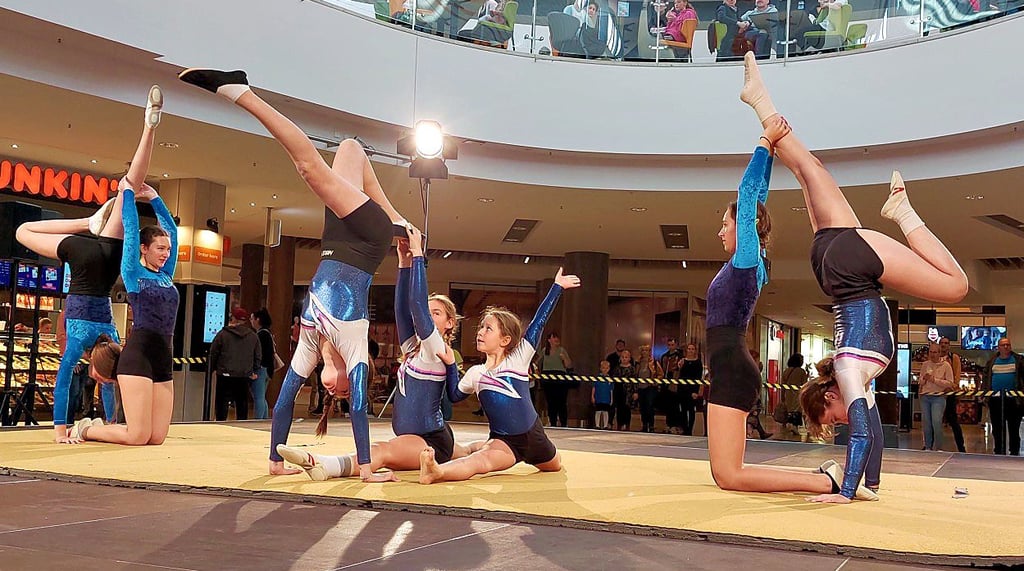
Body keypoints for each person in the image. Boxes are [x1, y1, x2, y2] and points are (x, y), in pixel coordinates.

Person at [740, 53, 968, 501]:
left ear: (828, 397)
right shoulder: (856, 377)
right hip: (831, 265)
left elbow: (863, 434)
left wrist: (844, 492)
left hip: (851, 269)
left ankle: (903, 212)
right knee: (811, 172)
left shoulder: (848, 370)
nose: (842, 422)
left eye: (832, 419)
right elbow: (875, 433)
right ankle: (761, 103)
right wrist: (871, 487)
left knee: (957, 286)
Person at [179, 68, 410, 482]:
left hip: (338, 237)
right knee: (311, 169)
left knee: (351, 149)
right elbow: (360, 406)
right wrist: (365, 469)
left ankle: (399, 221)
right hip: (369, 240)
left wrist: (274, 460)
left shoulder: (309, 345)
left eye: (332, 392)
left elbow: (284, 398)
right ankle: (240, 91)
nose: (337, 389)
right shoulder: (354, 339)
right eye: (341, 388)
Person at [703, 97, 864, 500]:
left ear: (744, 227)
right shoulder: (747, 263)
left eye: (726, 224)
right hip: (729, 366)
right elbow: (755, 198)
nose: (721, 232)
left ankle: (825, 481)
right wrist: (771, 153)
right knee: (727, 472)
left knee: (730, 475)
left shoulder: (745, 260)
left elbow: (747, 195)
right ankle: (824, 477)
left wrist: (763, 141)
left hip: (733, 367)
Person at [16, 86, 162, 443]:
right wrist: (62, 429)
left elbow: (103, 380)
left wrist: (63, 430)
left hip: (102, 257)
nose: (97, 379)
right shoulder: (93, 345)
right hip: (84, 262)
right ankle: (147, 129)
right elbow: (74, 382)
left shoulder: (112, 341)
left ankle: (149, 128)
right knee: (23, 230)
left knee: (127, 187)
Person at [278, 227, 468, 480]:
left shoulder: (437, 348)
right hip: (418, 435)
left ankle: (324, 464)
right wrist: (403, 263)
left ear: (450, 323)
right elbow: (403, 310)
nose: (429, 317)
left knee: (382, 451)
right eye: (430, 312)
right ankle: (476, 448)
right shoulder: (413, 348)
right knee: (465, 451)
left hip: (429, 440)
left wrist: (418, 256)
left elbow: (417, 306)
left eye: (437, 313)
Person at [418, 268, 581, 484]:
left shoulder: (517, 360)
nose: (480, 332)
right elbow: (455, 395)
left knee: (555, 465)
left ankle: (474, 446)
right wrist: (450, 366)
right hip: (504, 441)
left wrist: (557, 287)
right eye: (480, 327)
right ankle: (437, 472)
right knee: (480, 462)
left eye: (488, 329)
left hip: (535, 438)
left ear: (505, 340)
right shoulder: (475, 373)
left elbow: (538, 324)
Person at [74, 179, 178, 446]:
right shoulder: (134, 273)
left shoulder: (166, 275)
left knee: (156, 438)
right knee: (137, 435)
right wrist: (129, 195)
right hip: (138, 357)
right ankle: (86, 429)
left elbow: (172, 232)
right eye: (160, 248)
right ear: (144, 249)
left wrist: (155, 197)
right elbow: (131, 230)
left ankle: (97, 428)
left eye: (167, 249)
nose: (166, 253)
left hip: (164, 357)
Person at [210, 307, 261, 422]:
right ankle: (241, 427)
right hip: (243, 375)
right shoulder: (253, 336)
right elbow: (258, 355)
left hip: (224, 374)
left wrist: (212, 368)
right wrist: (254, 370)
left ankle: (220, 425)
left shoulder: (223, 334)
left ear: (232, 317)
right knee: (242, 404)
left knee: (221, 404)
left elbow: (213, 353)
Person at [981, 338, 1024, 456]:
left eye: (1008, 345)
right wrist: (985, 394)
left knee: (1014, 429)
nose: (1006, 347)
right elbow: (986, 378)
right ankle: (998, 451)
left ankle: (1014, 452)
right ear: (998, 347)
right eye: (1003, 345)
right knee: (997, 429)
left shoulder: (1019, 360)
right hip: (995, 400)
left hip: (1014, 401)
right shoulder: (992, 361)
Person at [918, 342, 956, 451]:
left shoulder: (946, 366)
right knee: (926, 423)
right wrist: (924, 379)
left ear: (939, 353)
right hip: (925, 396)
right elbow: (920, 381)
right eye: (931, 352)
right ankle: (928, 446)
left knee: (936, 421)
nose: (932, 354)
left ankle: (939, 447)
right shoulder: (925, 364)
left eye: (935, 352)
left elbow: (950, 383)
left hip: (938, 397)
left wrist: (934, 380)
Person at [538, 332, 573, 427]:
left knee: (561, 401)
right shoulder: (545, 351)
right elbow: (537, 362)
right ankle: (553, 422)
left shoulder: (562, 350)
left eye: (557, 337)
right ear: (549, 340)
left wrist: (564, 358)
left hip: (560, 377)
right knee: (551, 402)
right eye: (554, 337)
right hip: (548, 378)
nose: (556, 339)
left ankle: (563, 423)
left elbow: (569, 365)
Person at [939, 337, 966, 452]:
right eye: (942, 343)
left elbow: (957, 376)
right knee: (934, 420)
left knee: (953, 420)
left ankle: (961, 447)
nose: (944, 345)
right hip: (936, 393)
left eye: (946, 343)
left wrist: (951, 388)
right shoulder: (935, 357)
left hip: (949, 393)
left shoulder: (954, 358)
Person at [250, 309, 276, 420]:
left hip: (260, 369)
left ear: (258, 320)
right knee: (262, 397)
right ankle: (263, 420)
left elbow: (258, 354)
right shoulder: (268, 333)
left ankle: (258, 420)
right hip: (268, 369)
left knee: (258, 397)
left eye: (252, 318)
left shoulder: (260, 335)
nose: (251, 321)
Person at [774, 353, 808, 436]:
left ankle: (786, 424)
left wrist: (782, 396)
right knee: (797, 411)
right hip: (798, 394)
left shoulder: (787, 371)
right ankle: (795, 426)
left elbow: (782, 385)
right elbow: (805, 384)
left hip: (788, 394)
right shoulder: (801, 371)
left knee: (789, 410)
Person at [636, 344, 664, 433]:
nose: (645, 352)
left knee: (649, 406)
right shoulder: (638, 362)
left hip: (650, 387)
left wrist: (655, 381)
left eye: (647, 350)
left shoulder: (654, 362)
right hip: (640, 387)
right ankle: (644, 424)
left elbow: (661, 374)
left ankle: (651, 425)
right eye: (643, 350)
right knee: (642, 407)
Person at [678, 342, 703, 435]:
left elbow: (698, 377)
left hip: (692, 389)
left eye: (692, 349)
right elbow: (680, 375)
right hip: (683, 389)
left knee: (691, 410)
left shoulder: (698, 362)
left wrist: (695, 391)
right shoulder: (682, 361)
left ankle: (690, 430)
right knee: (683, 410)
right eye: (689, 349)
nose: (691, 351)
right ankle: (685, 429)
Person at [611, 348, 638, 431]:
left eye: (626, 357)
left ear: (629, 358)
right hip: (619, 391)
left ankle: (627, 425)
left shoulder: (632, 369)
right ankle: (619, 424)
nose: (624, 359)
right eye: (622, 357)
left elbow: (635, 381)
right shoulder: (616, 368)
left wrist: (635, 392)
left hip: (629, 391)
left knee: (627, 409)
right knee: (619, 409)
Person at [592, 360, 613, 429]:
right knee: (598, 411)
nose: (605, 370)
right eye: (603, 368)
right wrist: (592, 396)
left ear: (609, 369)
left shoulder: (610, 379)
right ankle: (597, 425)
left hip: (606, 399)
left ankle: (605, 425)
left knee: (605, 412)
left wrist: (611, 399)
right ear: (600, 368)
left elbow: (611, 390)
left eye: (606, 368)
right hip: (598, 398)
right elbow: (594, 388)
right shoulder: (597, 378)